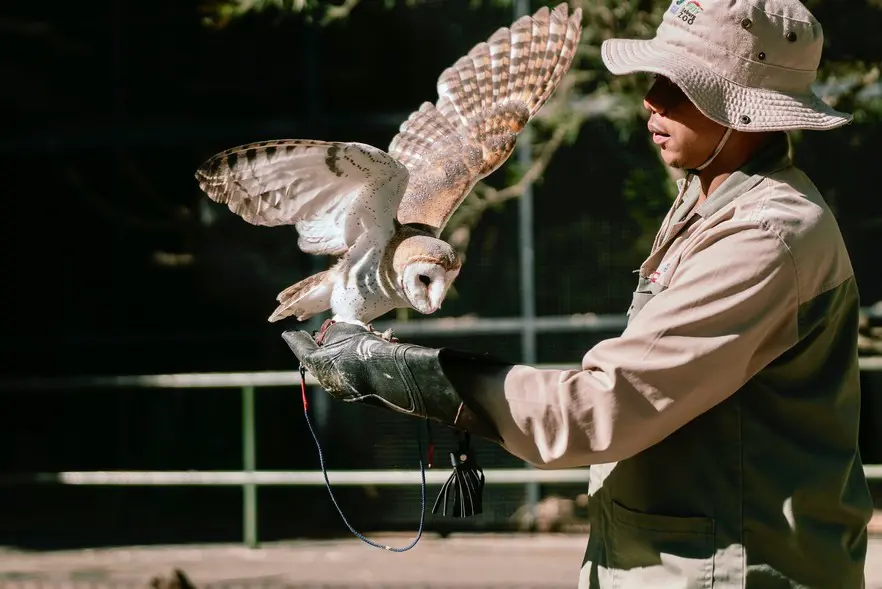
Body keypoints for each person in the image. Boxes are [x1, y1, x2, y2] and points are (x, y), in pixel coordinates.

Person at [283, 0, 875, 586]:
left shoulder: (763, 235)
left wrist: (424, 378)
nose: (652, 99)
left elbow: (599, 409)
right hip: (687, 561)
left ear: (745, 108)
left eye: (681, 85)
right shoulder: (712, 197)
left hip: (733, 571)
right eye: (655, 78)